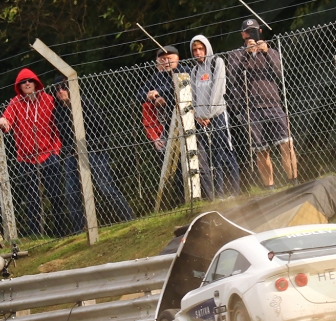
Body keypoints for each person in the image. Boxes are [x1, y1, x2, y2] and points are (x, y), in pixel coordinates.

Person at [50, 76, 136, 229]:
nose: (61, 92)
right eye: (57, 90)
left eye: (63, 88)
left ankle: (129, 218)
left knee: (105, 187)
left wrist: (94, 145)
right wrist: (71, 150)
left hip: (94, 150)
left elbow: (101, 125)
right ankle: (80, 230)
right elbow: (63, 136)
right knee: (71, 193)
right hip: (73, 153)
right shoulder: (58, 112)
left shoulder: (85, 103)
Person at [226, 19, 298, 190]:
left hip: (273, 103)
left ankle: (294, 182)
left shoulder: (272, 51)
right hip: (250, 109)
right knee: (261, 150)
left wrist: (265, 52)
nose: (251, 34)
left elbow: (281, 74)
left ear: (261, 31)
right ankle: (270, 189)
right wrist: (247, 54)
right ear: (242, 34)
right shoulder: (235, 55)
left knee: (287, 144)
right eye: (248, 31)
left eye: (254, 30)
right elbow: (232, 79)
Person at [0, 69, 68, 237]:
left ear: (36, 82)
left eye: (30, 80)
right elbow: (6, 120)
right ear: (19, 86)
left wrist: (56, 151)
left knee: (56, 195)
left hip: (49, 154)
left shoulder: (49, 100)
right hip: (26, 159)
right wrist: (3, 122)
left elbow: (57, 126)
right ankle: (35, 236)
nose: (27, 83)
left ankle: (61, 233)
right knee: (33, 200)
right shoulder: (15, 103)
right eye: (23, 82)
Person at [189, 35, 240, 199]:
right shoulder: (194, 71)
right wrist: (198, 115)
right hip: (202, 120)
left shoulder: (217, 62)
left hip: (217, 115)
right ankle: (219, 195)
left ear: (206, 48)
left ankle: (235, 192)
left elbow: (218, 90)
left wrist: (209, 114)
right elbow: (193, 95)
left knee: (226, 151)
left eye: (200, 48)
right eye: (195, 49)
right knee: (212, 157)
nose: (198, 52)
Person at [137, 46, 185, 207]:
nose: (166, 62)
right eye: (162, 59)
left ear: (177, 58)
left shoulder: (184, 69)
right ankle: (180, 200)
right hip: (166, 127)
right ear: (157, 63)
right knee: (172, 166)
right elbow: (139, 93)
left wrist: (159, 93)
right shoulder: (156, 77)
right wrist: (150, 95)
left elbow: (177, 87)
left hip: (185, 122)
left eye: (169, 58)